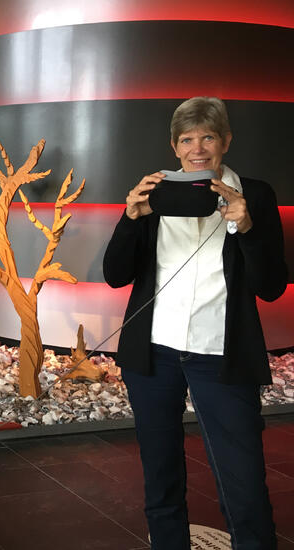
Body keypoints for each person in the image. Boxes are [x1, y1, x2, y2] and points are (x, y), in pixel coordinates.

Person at [103, 97, 288, 549]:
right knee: (160, 471)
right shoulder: (154, 193)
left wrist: (246, 226)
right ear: (174, 146)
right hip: (154, 353)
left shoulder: (255, 195)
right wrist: (130, 218)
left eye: (208, 137)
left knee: (242, 477)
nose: (197, 148)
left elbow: (270, 287)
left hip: (222, 353)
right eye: (187, 139)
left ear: (226, 141)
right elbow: (115, 274)